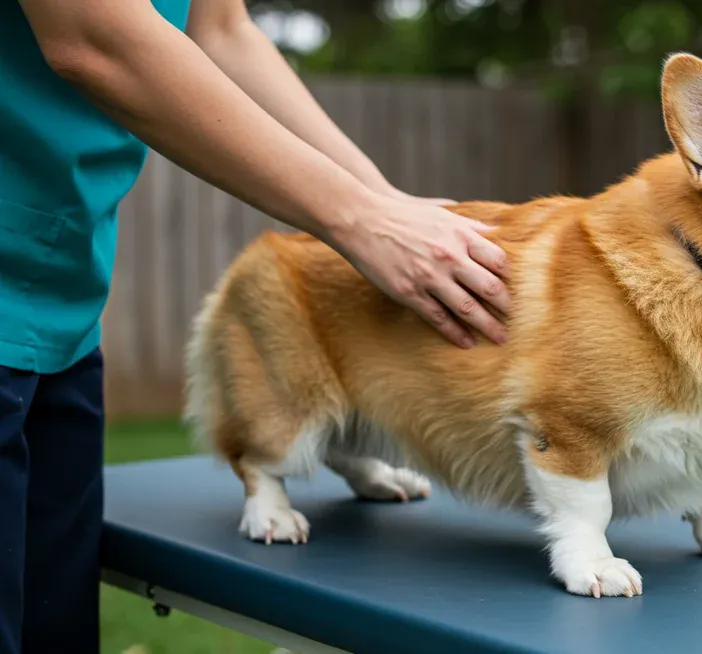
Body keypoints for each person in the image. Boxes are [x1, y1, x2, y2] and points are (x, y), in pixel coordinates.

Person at [1, 0, 511, 651]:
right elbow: (94, 36)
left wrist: (387, 204)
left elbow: (220, 29)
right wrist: (357, 218)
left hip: (58, 308)